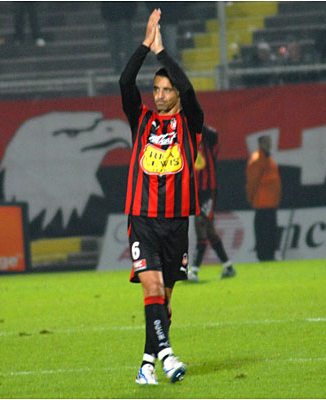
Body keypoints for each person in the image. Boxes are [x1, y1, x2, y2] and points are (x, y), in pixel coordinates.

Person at [119, 9, 203, 385]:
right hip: (143, 219)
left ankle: (147, 365)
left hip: (176, 222)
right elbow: (124, 82)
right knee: (151, 288)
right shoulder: (142, 121)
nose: (160, 95)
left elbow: (189, 89)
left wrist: (163, 53)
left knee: (164, 302)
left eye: (166, 90)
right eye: (156, 89)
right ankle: (167, 356)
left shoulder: (190, 122)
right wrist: (144, 45)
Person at [187, 125, 236, 282]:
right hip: (195, 193)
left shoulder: (209, 142)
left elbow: (214, 133)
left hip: (209, 192)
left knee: (200, 223)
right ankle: (228, 267)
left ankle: (193, 271)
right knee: (209, 231)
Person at [246, 136, 281, 261]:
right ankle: (263, 255)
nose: (269, 144)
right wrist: (251, 198)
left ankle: (270, 255)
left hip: (271, 203)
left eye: (269, 141)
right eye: (266, 142)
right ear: (260, 143)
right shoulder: (257, 159)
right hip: (261, 203)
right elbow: (252, 182)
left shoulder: (268, 158)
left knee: (271, 232)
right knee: (263, 232)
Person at [101, 2, 137, 74]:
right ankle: (118, 67)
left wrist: (129, 16)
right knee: (115, 46)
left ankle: (126, 67)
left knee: (126, 46)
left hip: (121, 19)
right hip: (113, 19)